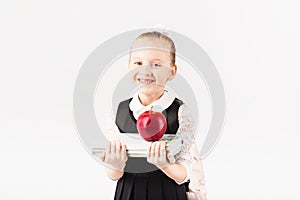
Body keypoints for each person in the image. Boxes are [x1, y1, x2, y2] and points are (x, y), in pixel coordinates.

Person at [100, 31, 206, 200]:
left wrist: (164, 164)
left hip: (168, 192)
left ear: (171, 72)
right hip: (129, 192)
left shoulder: (180, 112)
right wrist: (116, 164)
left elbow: (183, 174)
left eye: (156, 65)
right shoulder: (118, 111)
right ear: (129, 66)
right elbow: (114, 175)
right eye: (138, 62)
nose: (145, 70)